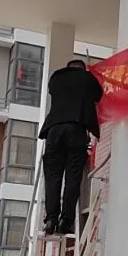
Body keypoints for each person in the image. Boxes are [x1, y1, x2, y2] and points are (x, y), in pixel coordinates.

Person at [38, 59, 102, 235]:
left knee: (53, 176)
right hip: (76, 129)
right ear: (83, 68)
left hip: (54, 131)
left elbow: (53, 92)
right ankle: (66, 221)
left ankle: (51, 218)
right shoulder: (87, 78)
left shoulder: (56, 78)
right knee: (73, 176)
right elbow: (98, 96)